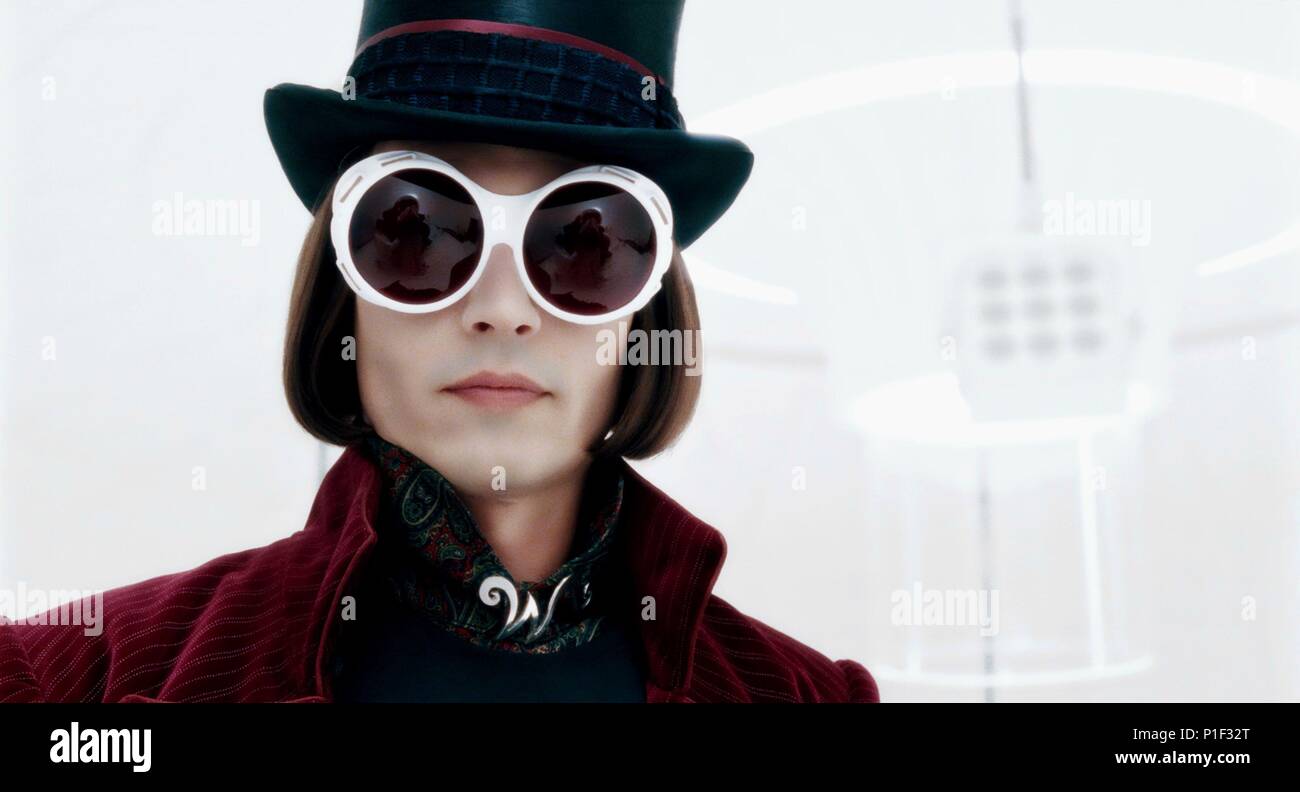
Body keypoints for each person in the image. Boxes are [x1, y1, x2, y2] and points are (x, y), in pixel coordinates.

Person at [0, 0, 880, 703]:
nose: (501, 310)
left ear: (644, 314)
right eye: (415, 230)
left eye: (586, 241)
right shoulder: (73, 684)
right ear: (343, 293)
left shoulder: (809, 697)